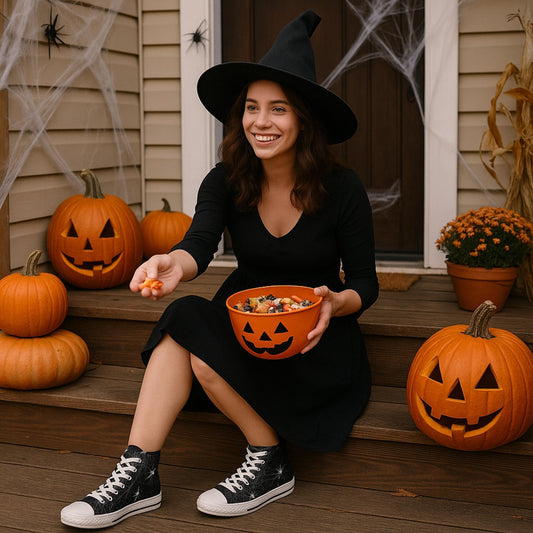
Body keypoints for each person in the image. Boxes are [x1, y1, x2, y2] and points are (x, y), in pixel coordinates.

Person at [60, 9, 378, 529]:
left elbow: (365, 283)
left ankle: (270, 461)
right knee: (186, 321)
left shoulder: (342, 190)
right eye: (252, 108)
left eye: (278, 109)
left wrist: (336, 302)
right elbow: (198, 245)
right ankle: (138, 473)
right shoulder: (227, 178)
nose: (261, 121)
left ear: (302, 119)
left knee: (203, 356)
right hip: (245, 319)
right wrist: (172, 264)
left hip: (318, 335)